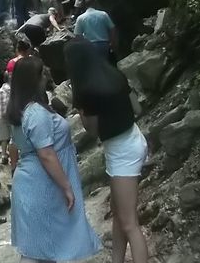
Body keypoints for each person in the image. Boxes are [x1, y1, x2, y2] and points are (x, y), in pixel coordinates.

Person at [7, 57, 101, 263]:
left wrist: (15, 170)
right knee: (37, 251)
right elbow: (46, 154)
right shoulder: (36, 113)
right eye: (42, 73)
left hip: (31, 181)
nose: (46, 76)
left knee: (42, 247)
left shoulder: (22, 110)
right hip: (41, 184)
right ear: (34, 79)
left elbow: (13, 146)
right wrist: (67, 187)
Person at [65, 37, 149, 263]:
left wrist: (83, 113)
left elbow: (92, 131)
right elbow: (137, 107)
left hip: (122, 153)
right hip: (133, 139)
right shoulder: (114, 73)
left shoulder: (86, 90)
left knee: (130, 222)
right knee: (118, 213)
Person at [0, 71, 12, 165]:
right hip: (11, 116)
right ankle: (14, 155)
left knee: (4, 138)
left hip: (1, 117)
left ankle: (4, 154)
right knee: (13, 136)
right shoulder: (12, 90)